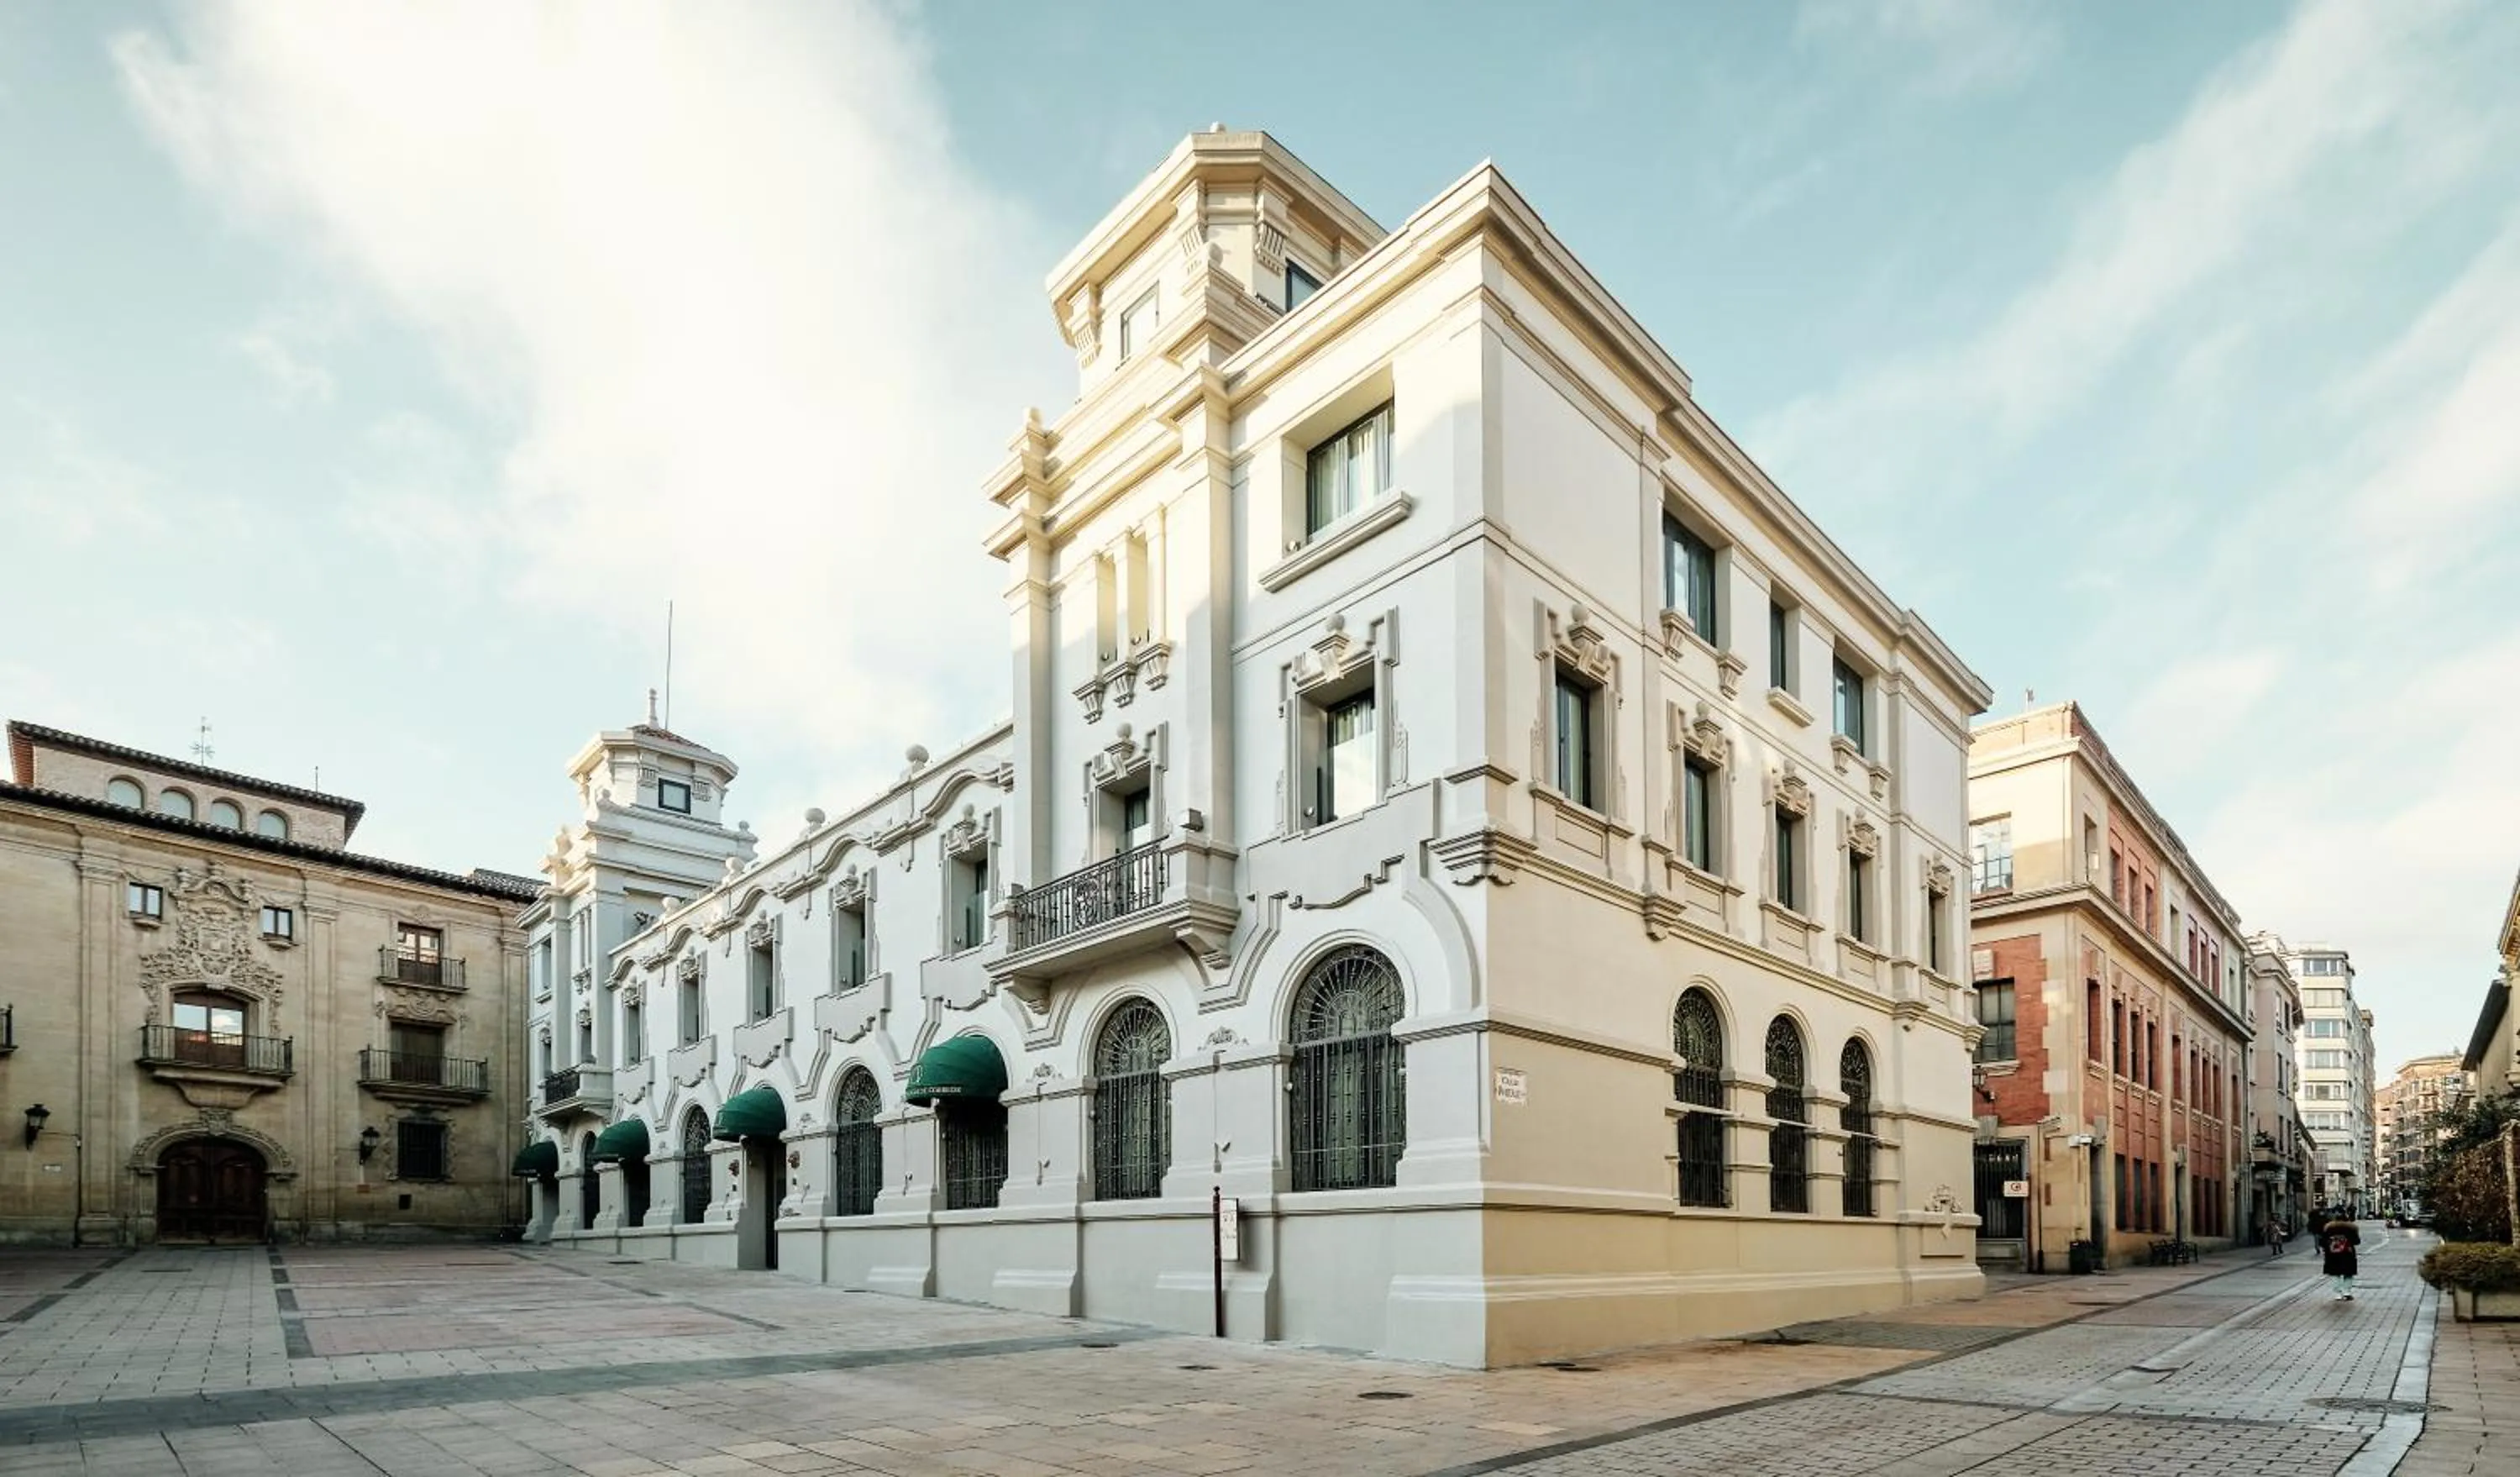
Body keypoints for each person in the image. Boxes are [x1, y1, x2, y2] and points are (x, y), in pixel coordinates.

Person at [2323, 1214, 2361, 1300]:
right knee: (2348, 1273)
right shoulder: (2352, 1228)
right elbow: (2357, 1241)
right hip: (2348, 1253)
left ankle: (2338, 1293)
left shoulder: (2329, 1228)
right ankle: (2347, 1292)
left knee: (2335, 1273)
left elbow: (2323, 1241)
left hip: (2332, 1254)